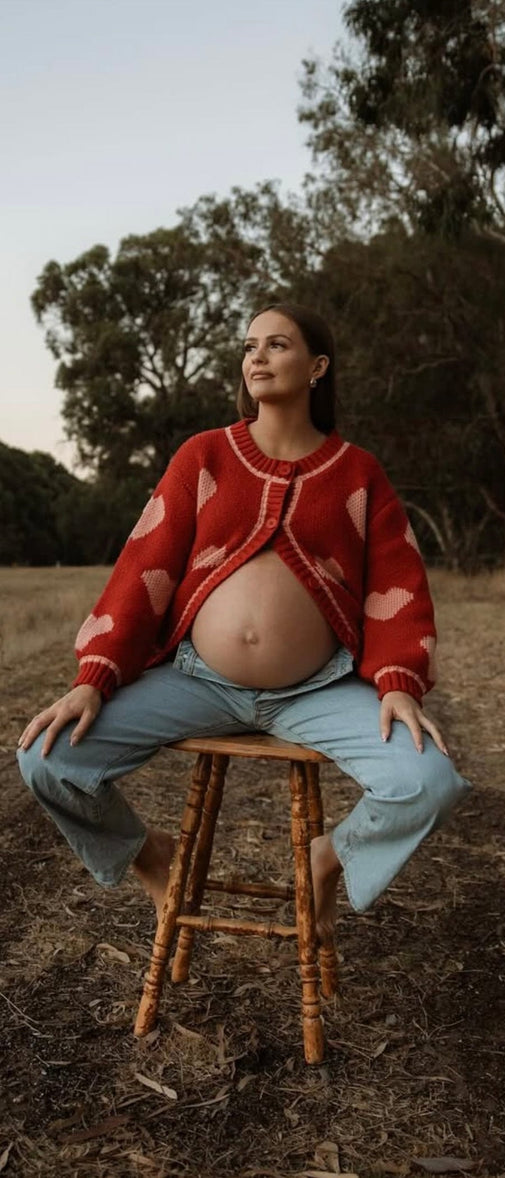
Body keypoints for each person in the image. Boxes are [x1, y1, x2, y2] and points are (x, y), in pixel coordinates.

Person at [17, 303, 470, 943]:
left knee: (429, 780)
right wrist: (96, 673)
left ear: (317, 367)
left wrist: (398, 681)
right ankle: (152, 857)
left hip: (319, 689)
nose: (256, 356)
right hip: (198, 682)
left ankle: (326, 859)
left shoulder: (357, 472)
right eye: (249, 345)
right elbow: (145, 565)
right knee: (47, 759)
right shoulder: (204, 456)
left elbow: (397, 583)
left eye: (276, 344)